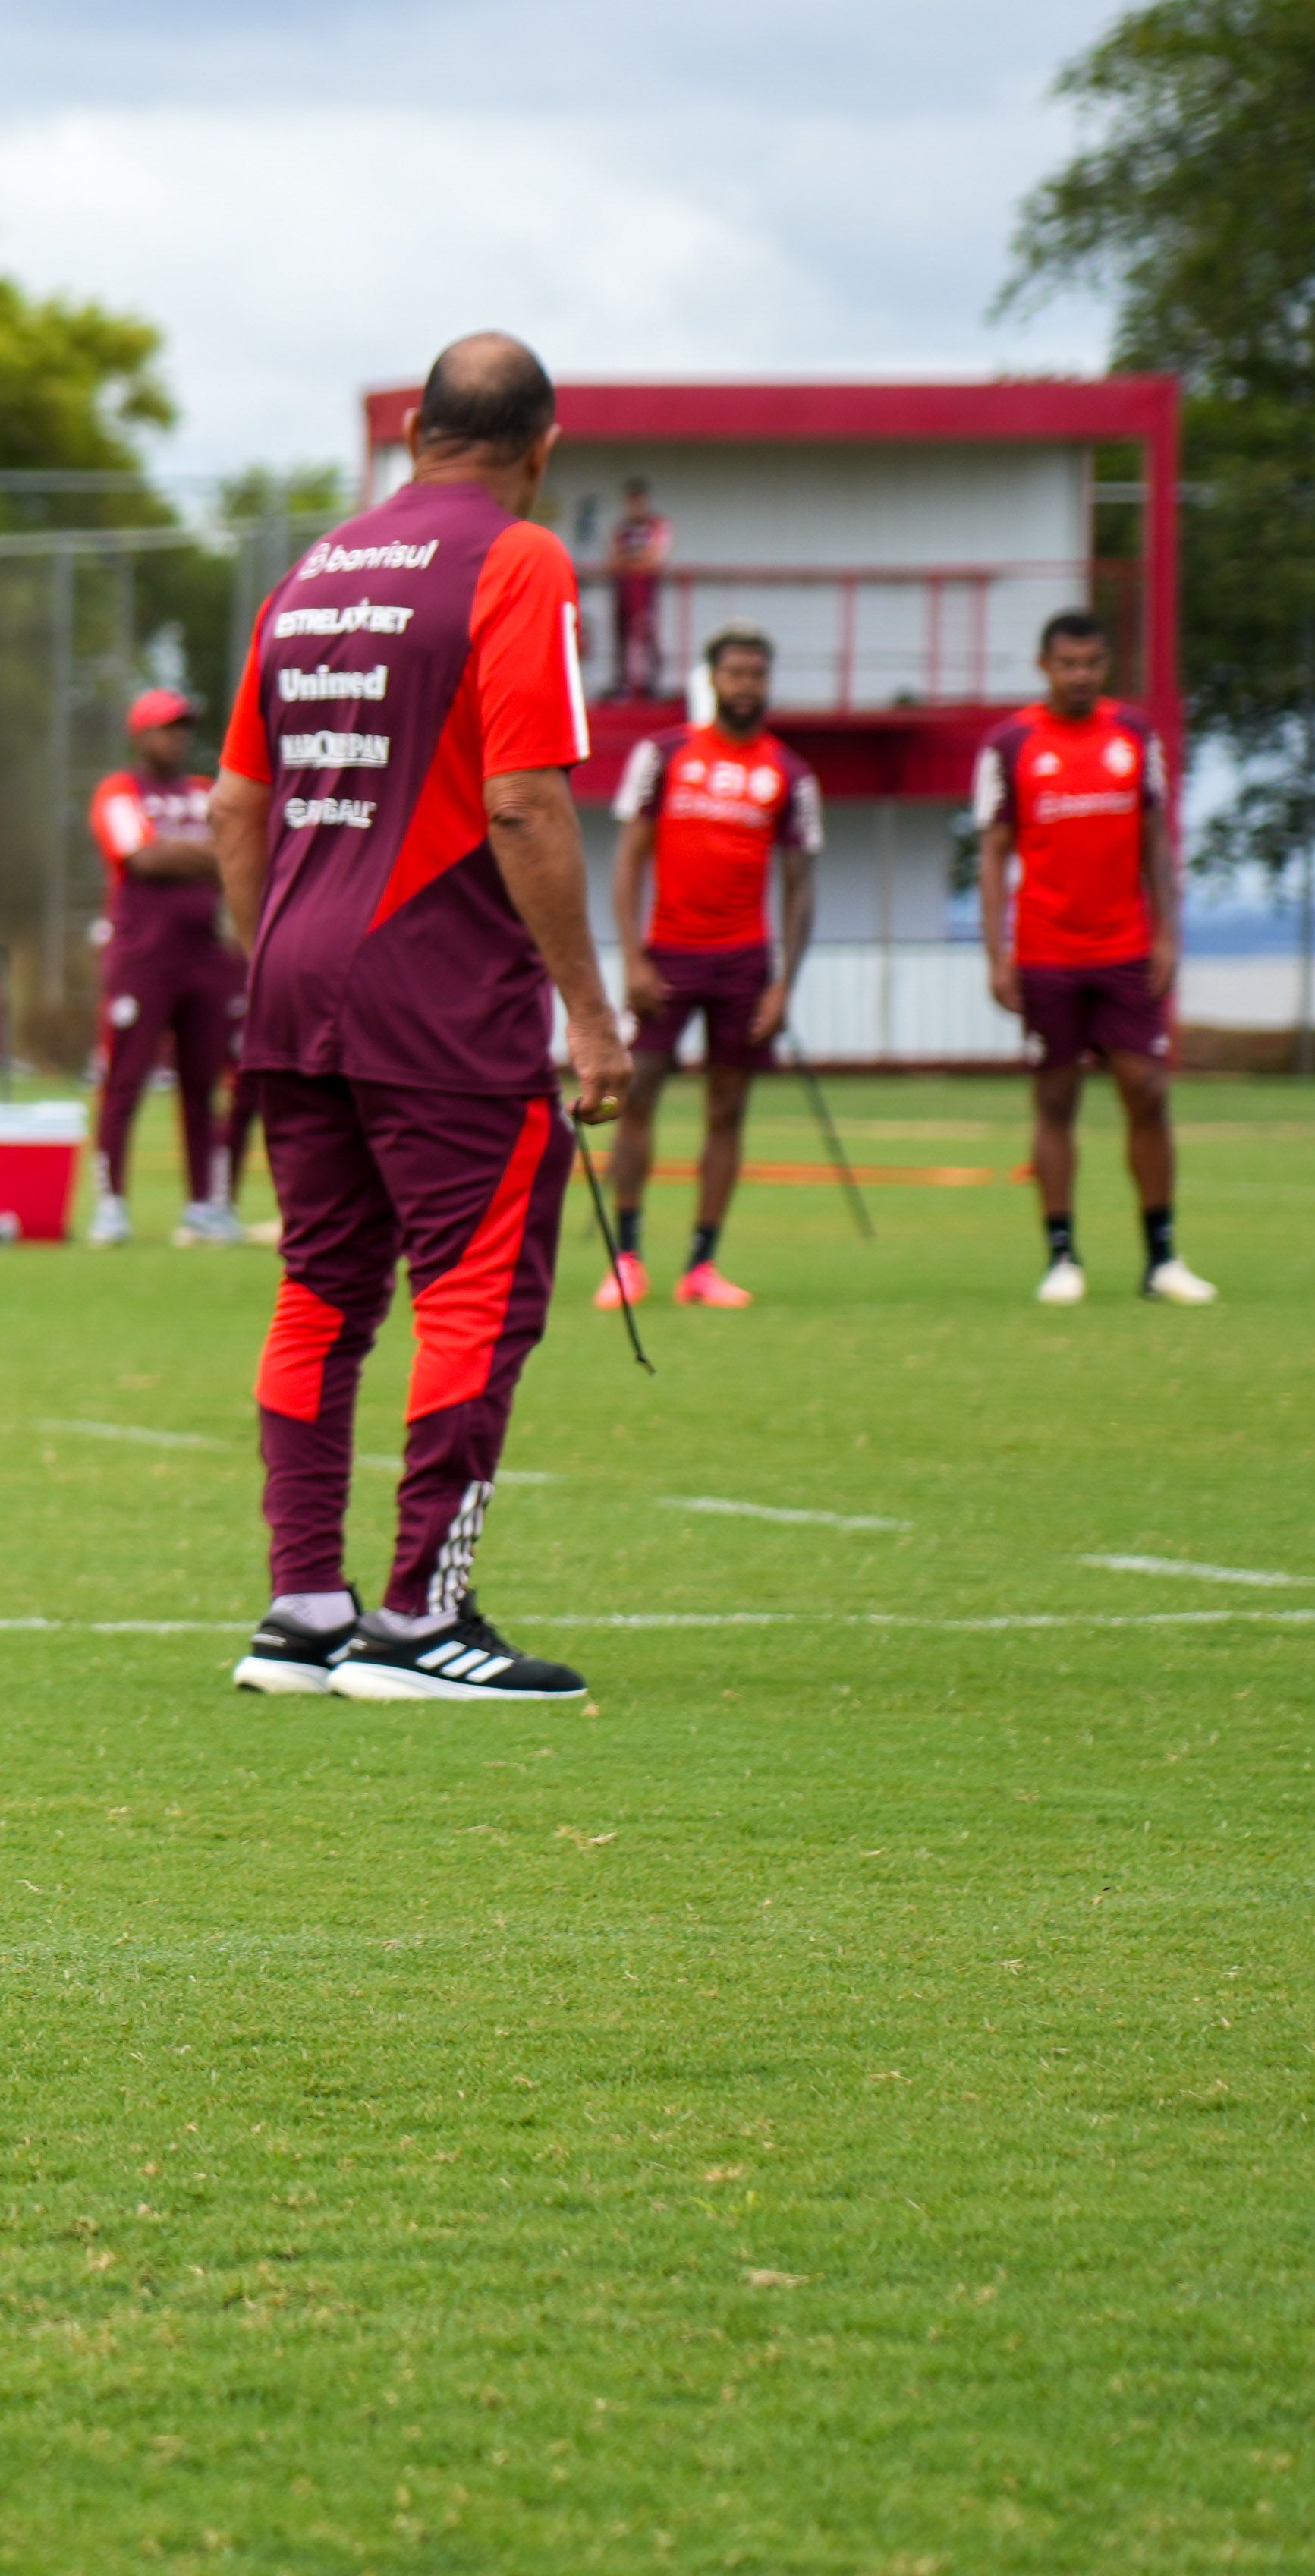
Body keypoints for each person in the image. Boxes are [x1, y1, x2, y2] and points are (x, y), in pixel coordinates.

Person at [211, 332, 628, 1705]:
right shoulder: (516, 559)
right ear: (541, 446)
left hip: (288, 972)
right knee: (471, 1289)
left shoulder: (312, 569)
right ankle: (415, 1625)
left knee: (320, 1287)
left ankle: (300, 1609)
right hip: (435, 989)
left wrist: (268, 942)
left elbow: (233, 802)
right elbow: (521, 799)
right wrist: (590, 1011)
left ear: (407, 437)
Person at [977, 609, 1210, 1305]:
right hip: (1046, 951)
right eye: (1067, 664)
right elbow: (991, 855)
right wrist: (997, 953)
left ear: (1107, 667)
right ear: (1044, 666)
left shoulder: (1134, 735)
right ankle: (1061, 1256)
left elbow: (1155, 843)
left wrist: (1168, 935)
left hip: (1126, 949)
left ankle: (1162, 1258)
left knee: (1148, 1092)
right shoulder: (1011, 743)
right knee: (1055, 1098)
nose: (1080, 676)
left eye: (1092, 664)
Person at [600, 626, 821, 1312]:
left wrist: (785, 983)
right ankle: (628, 1259)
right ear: (713, 679)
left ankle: (702, 1264)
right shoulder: (664, 755)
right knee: (638, 1098)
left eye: (758, 675)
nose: (746, 687)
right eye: (735, 674)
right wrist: (632, 956)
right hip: (667, 955)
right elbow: (628, 858)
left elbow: (802, 882)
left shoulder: (790, 773)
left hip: (744, 963)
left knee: (727, 1111)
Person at [85, 687, 243, 1247]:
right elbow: (143, 856)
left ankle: (205, 1205)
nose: (177, 738)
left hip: (208, 956)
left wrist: (194, 853)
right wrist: (213, 857)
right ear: (141, 734)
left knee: (204, 1084)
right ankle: (112, 1203)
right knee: (124, 1082)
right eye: (166, 728)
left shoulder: (205, 791)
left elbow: (245, 847)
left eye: (183, 728)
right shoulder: (119, 790)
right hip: (142, 960)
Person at [607, 476, 675, 700]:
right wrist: (635, 558)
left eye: (639, 500)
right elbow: (614, 557)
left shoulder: (657, 525)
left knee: (647, 633)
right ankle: (624, 684)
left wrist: (632, 558)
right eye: (632, 500)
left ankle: (651, 684)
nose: (636, 505)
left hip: (646, 589)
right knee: (622, 635)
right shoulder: (622, 528)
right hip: (624, 587)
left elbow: (657, 556)